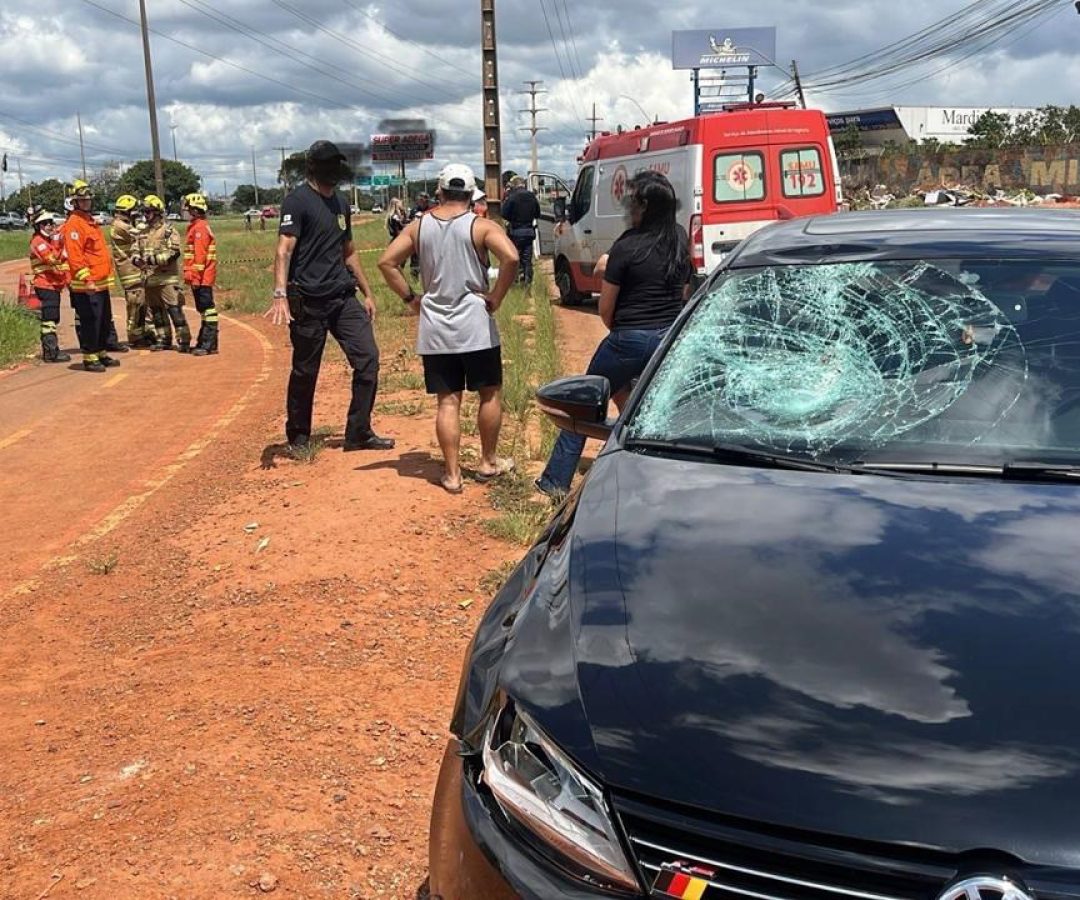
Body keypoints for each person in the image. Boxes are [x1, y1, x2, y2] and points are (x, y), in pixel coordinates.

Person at [535, 171, 693, 497]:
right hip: (669, 339)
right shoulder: (679, 237)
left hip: (629, 338)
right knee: (656, 405)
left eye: (632, 201)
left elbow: (606, 310)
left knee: (580, 403)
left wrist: (624, 340)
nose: (627, 207)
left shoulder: (626, 247)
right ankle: (656, 469)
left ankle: (554, 482)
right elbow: (684, 292)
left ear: (645, 206)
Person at [378, 163, 519, 494]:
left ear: (439, 192)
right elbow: (511, 258)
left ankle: (453, 475)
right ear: (471, 195)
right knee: (489, 392)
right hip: (475, 323)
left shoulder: (418, 226)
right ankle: (487, 462)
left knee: (447, 401)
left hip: (435, 326)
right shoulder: (481, 226)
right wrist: (496, 296)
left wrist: (411, 297)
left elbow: (386, 262)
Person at [265, 139, 394, 453]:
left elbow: (348, 251)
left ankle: (358, 432)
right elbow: (283, 250)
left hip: (342, 296)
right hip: (308, 301)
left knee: (368, 360)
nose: (333, 170)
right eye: (327, 164)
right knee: (305, 370)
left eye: (336, 164)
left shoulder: (340, 203)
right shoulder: (297, 201)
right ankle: (298, 437)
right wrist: (280, 294)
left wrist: (367, 292)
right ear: (312, 167)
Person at [62, 180, 120, 373]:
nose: (86, 203)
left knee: (104, 319)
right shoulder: (74, 224)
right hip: (87, 285)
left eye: (88, 200)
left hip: (100, 283)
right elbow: (75, 256)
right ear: (75, 202)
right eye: (82, 200)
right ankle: (90, 357)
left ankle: (101, 352)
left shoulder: (90, 221)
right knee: (91, 321)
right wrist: (87, 280)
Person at [140, 194, 190, 352]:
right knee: (156, 312)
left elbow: (174, 253)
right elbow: (136, 249)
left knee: (174, 310)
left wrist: (153, 260)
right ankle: (163, 339)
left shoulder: (168, 231)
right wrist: (136, 259)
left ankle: (183, 340)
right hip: (150, 279)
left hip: (167, 278)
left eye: (148, 212)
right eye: (144, 212)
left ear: (157, 212)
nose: (145, 216)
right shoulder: (143, 232)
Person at [110, 194, 156, 348]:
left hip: (135, 269)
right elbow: (139, 234)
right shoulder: (120, 226)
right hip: (129, 271)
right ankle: (135, 337)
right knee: (135, 304)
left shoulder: (124, 224)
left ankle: (143, 332)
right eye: (133, 210)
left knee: (143, 303)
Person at [28, 210, 71, 363]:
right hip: (45, 285)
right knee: (49, 320)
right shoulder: (38, 242)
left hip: (53, 285)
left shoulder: (49, 241)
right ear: (38, 226)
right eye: (45, 224)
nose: (50, 226)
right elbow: (51, 259)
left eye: (51, 223)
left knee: (52, 319)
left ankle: (51, 351)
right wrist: (62, 251)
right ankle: (51, 352)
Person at [182, 193, 219, 356]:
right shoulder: (197, 226)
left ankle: (208, 343)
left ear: (195, 210)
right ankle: (205, 342)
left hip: (202, 278)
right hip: (201, 277)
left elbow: (200, 256)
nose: (187, 211)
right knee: (204, 310)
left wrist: (195, 277)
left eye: (189, 209)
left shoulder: (200, 228)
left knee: (207, 309)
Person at [501, 175, 540, 284]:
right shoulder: (532, 196)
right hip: (529, 232)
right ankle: (527, 283)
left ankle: (515, 281)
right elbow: (538, 213)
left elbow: (504, 213)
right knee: (527, 260)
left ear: (514, 185)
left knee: (514, 258)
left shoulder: (512, 197)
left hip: (515, 233)